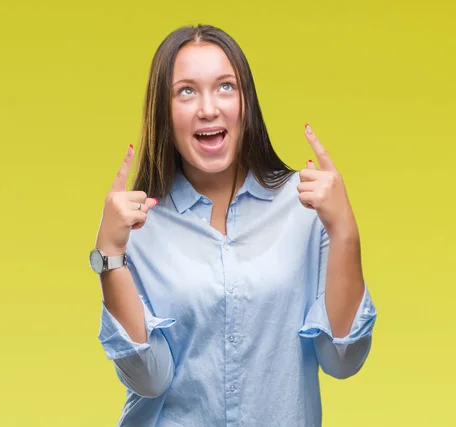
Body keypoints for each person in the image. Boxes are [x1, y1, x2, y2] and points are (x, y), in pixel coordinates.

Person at [89, 24, 377, 427]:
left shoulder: (308, 206)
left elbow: (343, 360)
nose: (209, 108)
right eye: (186, 91)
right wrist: (110, 257)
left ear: (247, 103)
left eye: (226, 86)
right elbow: (149, 379)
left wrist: (345, 230)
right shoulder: (138, 223)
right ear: (163, 112)